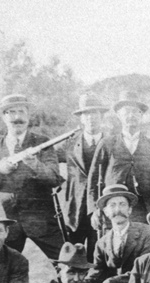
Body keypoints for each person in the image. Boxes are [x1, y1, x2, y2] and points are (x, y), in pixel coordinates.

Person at [0, 94, 64, 260]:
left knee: (67, 264)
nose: (17, 117)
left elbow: (54, 178)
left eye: (21, 112)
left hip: (41, 221)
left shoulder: (43, 142)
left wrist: (35, 164)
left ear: (28, 116)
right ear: (3, 117)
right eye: (11, 112)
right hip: (6, 221)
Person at [89, 91, 150, 224]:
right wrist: (94, 209)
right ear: (118, 115)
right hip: (115, 210)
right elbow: (94, 179)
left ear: (141, 115)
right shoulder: (107, 144)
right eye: (126, 111)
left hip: (147, 212)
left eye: (135, 111)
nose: (131, 115)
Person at [85, 185, 150, 283]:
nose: (117, 210)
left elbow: (145, 271)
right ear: (106, 211)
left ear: (130, 209)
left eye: (122, 204)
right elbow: (96, 272)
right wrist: (80, 282)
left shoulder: (147, 234)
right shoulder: (102, 242)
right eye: (112, 205)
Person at [60, 93, 110, 259]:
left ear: (101, 116)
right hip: (76, 209)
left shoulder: (112, 143)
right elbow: (47, 158)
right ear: (81, 118)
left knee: (98, 255)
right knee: (74, 257)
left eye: (95, 113)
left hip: (101, 207)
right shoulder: (69, 144)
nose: (91, 118)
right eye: (86, 114)